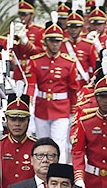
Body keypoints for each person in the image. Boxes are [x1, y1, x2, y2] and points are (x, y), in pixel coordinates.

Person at [26, 17, 77, 163]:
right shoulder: (36, 61)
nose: (55, 44)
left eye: (58, 41)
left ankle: (59, 174)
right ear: (46, 41)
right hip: (42, 108)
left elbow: (73, 89)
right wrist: (28, 105)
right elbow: (31, 85)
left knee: (59, 143)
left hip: (61, 109)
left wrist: (73, 113)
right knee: (43, 145)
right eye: (52, 41)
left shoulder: (69, 62)